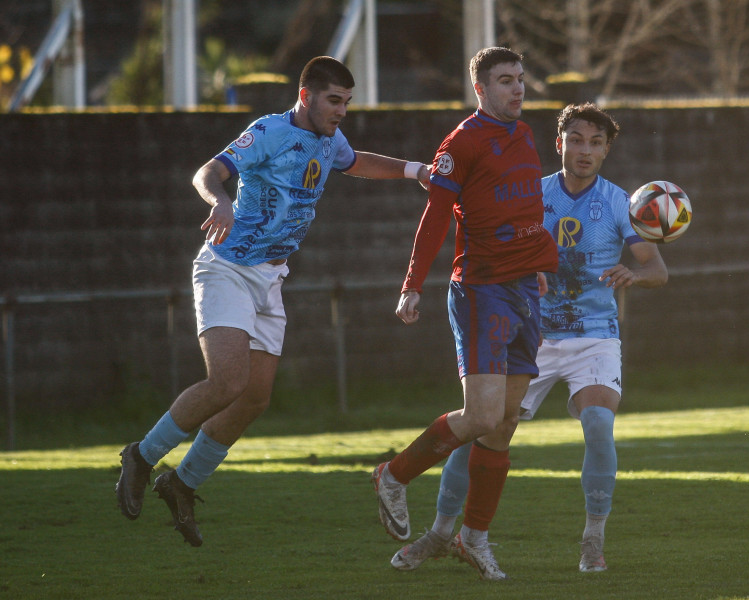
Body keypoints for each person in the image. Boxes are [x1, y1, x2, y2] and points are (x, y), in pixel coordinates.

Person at [115, 56, 430, 546]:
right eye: (334, 100)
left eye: (347, 102)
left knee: (255, 397)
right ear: (306, 97)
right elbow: (208, 172)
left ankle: (182, 483)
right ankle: (141, 455)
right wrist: (218, 199)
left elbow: (356, 162)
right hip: (227, 269)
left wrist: (417, 171)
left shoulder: (330, 140)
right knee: (227, 381)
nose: (342, 110)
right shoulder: (267, 131)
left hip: (270, 279)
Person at [388, 103, 668, 574]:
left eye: (596, 143)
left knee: (599, 426)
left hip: (594, 338)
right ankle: (440, 533)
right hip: (529, 332)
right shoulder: (528, 195)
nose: (585, 150)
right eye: (575, 140)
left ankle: (592, 542)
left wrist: (634, 275)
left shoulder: (620, 202)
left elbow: (657, 269)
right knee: (482, 428)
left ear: (606, 151)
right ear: (558, 144)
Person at [371, 47, 557, 581]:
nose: (518, 89)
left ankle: (473, 539)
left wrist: (539, 261)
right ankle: (393, 474)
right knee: (480, 416)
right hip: (481, 289)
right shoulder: (462, 142)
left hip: (525, 288)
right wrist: (411, 286)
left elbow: (524, 207)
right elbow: (434, 219)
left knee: (503, 425)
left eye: (521, 79)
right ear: (481, 89)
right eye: (505, 81)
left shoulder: (522, 135)